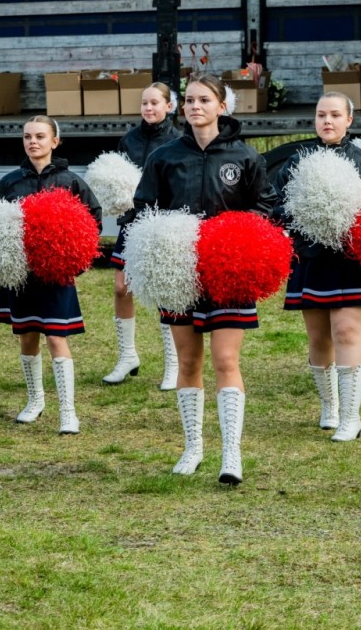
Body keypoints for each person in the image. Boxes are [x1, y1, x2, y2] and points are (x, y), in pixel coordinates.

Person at [129, 74, 278, 484]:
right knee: (189, 361)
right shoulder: (164, 157)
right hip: (179, 271)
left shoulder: (245, 156)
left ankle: (232, 453)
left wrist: (235, 236)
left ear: (222, 107)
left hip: (227, 271)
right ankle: (193, 447)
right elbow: (144, 207)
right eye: (190, 101)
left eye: (205, 100)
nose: (196, 107)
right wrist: (159, 241)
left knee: (225, 360)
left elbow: (265, 206)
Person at [274, 93, 361, 441]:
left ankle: (351, 417)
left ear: (349, 120)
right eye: (321, 114)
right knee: (319, 337)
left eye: (335, 115)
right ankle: (330, 406)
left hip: (354, 261)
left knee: (347, 332)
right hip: (310, 259)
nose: (327, 121)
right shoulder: (297, 162)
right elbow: (275, 205)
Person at [0, 116, 102, 436]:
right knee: (27, 337)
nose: (32, 142)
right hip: (21, 275)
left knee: (55, 338)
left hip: (55, 275)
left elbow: (92, 222)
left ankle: (68, 412)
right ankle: (35, 399)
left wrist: (73, 260)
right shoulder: (9, 183)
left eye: (39, 136)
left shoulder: (71, 182)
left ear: (55, 141)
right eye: (27, 136)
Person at [103, 82, 182, 389]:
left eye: (154, 103)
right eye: (144, 103)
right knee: (122, 288)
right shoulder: (129, 140)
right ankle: (127, 356)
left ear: (169, 107)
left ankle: (173, 364)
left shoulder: (178, 141)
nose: (148, 108)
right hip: (132, 221)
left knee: (165, 292)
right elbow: (117, 180)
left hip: (162, 225)